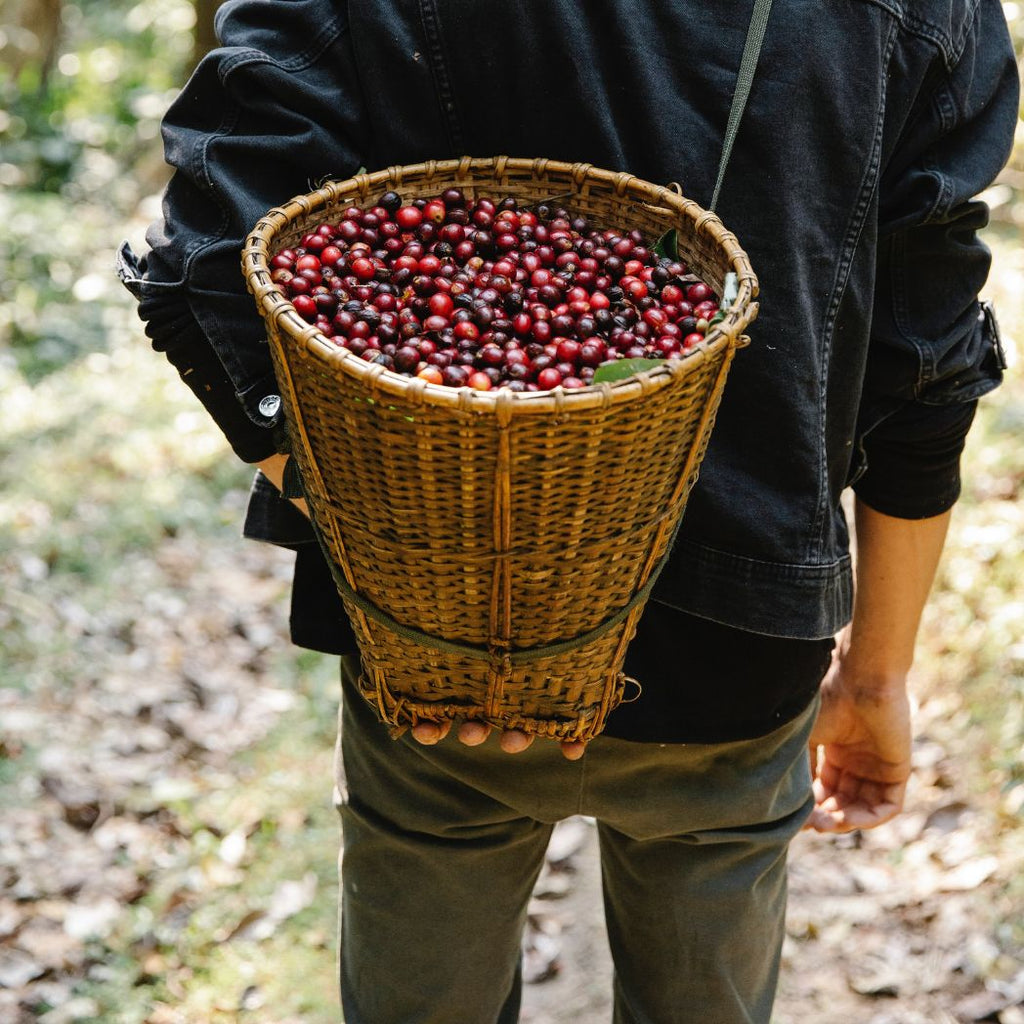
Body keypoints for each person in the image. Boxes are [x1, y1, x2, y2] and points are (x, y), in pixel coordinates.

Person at [118, 1, 1018, 1020]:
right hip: (741, 630)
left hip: (429, 648)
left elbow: (205, 254)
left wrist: (395, 543)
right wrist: (877, 672)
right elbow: (926, 354)